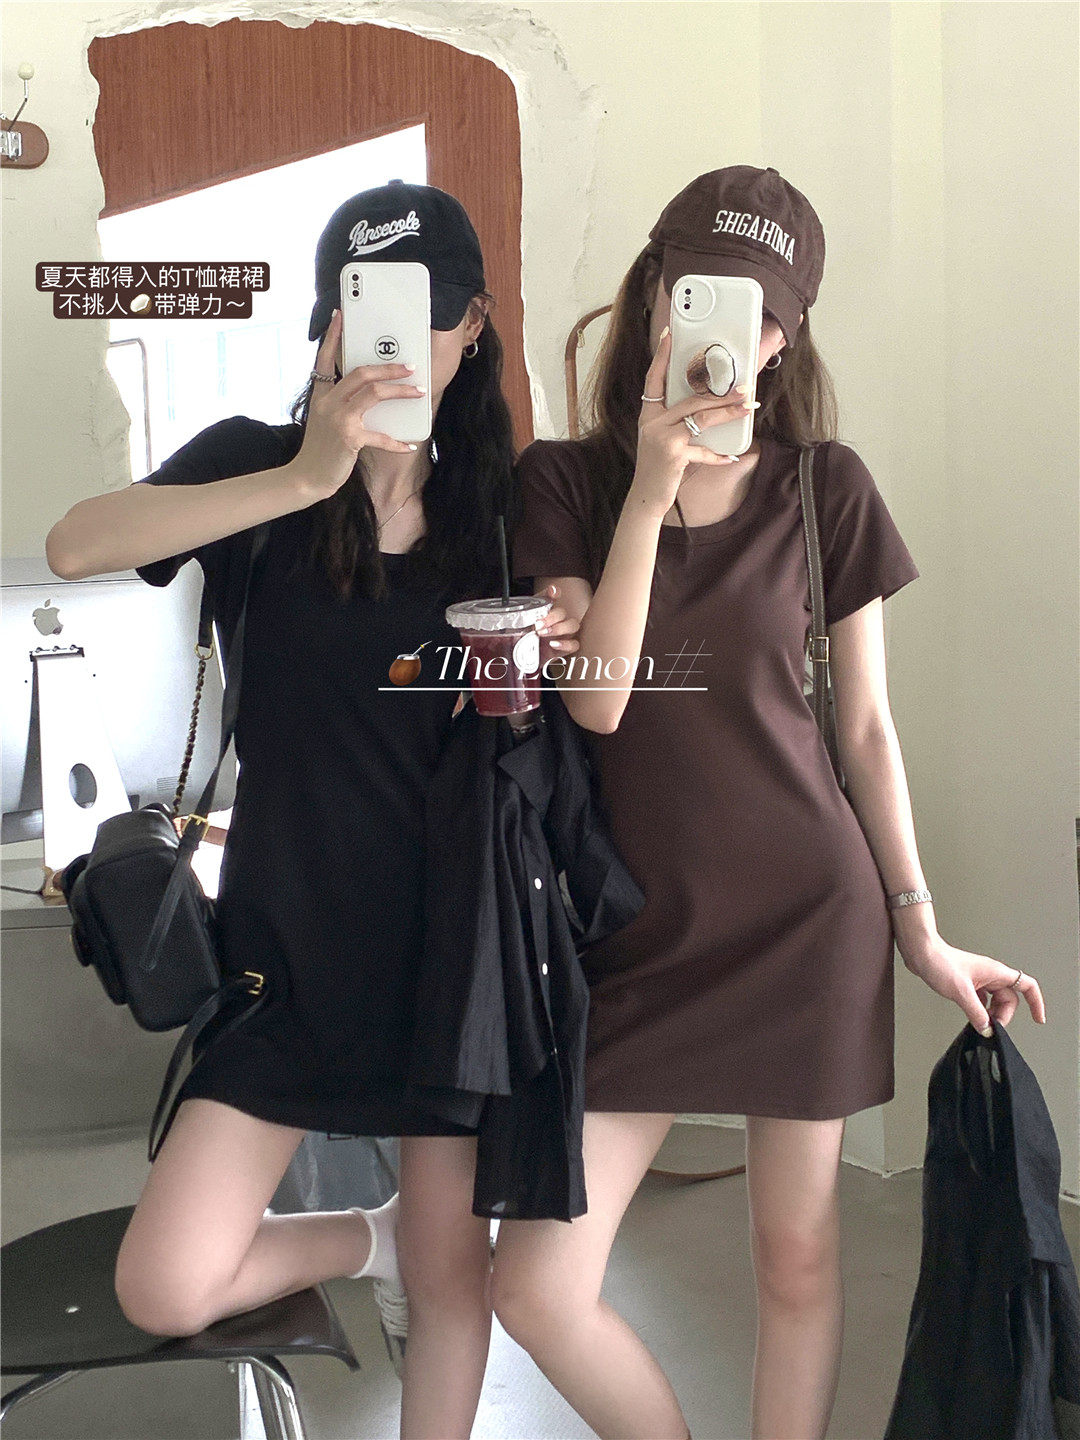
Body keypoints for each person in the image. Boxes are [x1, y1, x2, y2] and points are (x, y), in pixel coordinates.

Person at [499, 165, 1048, 1440]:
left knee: (795, 1260)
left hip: (808, 921)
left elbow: (865, 730)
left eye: (749, 311)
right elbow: (598, 704)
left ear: (781, 341)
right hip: (638, 935)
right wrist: (649, 491)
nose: (713, 331)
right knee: (537, 1287)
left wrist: (920, 928)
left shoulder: (825, 486)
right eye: (690, 294)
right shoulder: (564, 483)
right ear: (652, 300)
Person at [45, 180, 580, 1439]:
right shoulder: (258, 465)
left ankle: (410, 1253)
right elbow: (75, 544)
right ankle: (365, 1237)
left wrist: (562, 634)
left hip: (450, 948)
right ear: (328, 323)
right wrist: (305, 475)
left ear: (472, 331)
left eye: (428, 314)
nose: (398, 342)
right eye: (366, 307)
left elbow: (591, 690)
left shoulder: (505, 514)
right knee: (165, 1281)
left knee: (453, 1287)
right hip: (281, 952)